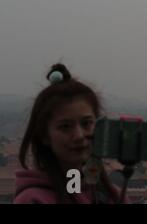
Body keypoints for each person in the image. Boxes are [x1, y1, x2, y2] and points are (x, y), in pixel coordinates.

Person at [14, 63, 129, 204]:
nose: (79, 136)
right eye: (65, 127)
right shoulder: (33, 200)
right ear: (44, 136)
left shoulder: (113, 196)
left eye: (86, 123)